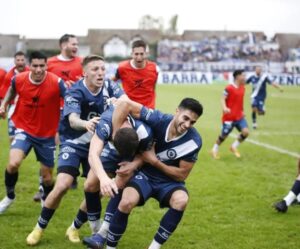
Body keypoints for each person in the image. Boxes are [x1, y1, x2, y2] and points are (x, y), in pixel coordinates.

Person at [25, 55, 124, 246]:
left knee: (96, 188)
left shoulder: (111, 87)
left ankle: (74, 226)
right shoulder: (75, 91)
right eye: (95, 69)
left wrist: (121, 104)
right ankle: (39, 228)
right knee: (62, 185)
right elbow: (72, 120)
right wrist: (86, 123)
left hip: (98, 145)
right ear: (84, 73)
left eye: (103, 69)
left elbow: (126, 100)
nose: (100, 73)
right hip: (74, 142)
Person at [83, 97, 203, 249]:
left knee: (181, 201)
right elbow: (125, 104)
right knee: (124, 198)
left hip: (169, 181)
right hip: (145, 175)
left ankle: (153, 247)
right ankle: (103, 237)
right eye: (185, 118)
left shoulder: (193, 141)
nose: (187, 125)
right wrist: (116, 137)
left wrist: (154, 162)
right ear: (177, 111)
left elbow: (181, 175)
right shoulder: (159, 120)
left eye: (192, 122)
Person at [0, 51, 66, 215]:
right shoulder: (19, 79)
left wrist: (62, 127)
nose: (38, 70)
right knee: (13, 163)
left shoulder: (57, 82)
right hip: (24, 128)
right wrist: (4, 104)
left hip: (47, 134)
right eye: (35, 66)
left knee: (47, 177)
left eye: (41, 66)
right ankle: (9, 197)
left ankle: (46, 200)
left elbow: (70, 101)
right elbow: (12, 89)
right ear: (30, 66)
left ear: (46, 65)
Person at [81, 103, 153, 248]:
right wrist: (103, 179)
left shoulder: (144, 132)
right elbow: (93, 154)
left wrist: (134, 164)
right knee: (89, 185)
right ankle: (96, 230)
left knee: (120, 182)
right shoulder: (105, 124)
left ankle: (101, 235)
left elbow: (148, 154)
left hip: (135, 154)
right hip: (113, 149)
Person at [31, 34, 83, 201]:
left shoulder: (81, 63)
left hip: (76, 112)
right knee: (51, 147)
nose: (76, 46)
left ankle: (71, 175)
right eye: (73, 44)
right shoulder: (51, 63)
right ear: (63, 45)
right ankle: (42, 186)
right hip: (53, 112)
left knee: (76, 144)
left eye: (77, 44)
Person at [211, 70, 249, 159]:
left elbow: (240, 101)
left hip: (239, 116)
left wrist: (242, 111)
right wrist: (224, 108)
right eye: (243, 75)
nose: (244, 77)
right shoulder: (229, 88)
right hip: (229, 117)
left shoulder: (243, 87)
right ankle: (214, 149)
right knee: (224, 136)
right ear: (237, 76)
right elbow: (222, 98)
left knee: (246, 132)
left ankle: (233, 147)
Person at [113, 39, 158, 109]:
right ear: (132, 54)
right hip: (129, 109)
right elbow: (111, 81)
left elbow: (153, 87)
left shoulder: (154, 68)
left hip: (149, 110)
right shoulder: (122, 68)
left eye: (141, 54)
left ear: (146, 54)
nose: (139, 57)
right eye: (136, 54)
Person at [0, 51, 29, 142]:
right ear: (14, 61)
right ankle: (14, 152)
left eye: (22, 60)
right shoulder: (9, 76)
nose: (20, 62)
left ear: (25, 61)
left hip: (29, 107)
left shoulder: (31, 73)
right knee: (12, 136)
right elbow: (4, 94)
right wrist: (2, 107)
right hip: (13, 107)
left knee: (29, 134)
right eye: (18, 60)